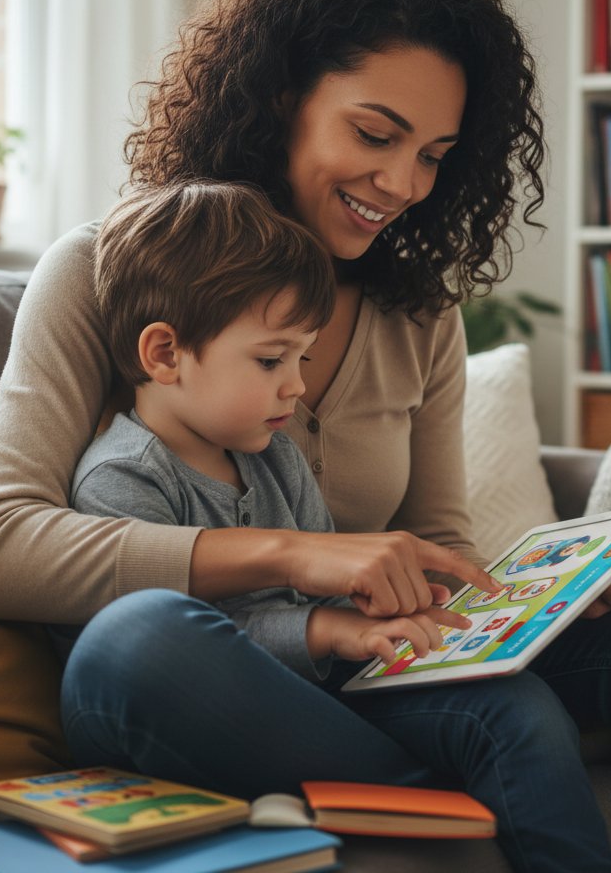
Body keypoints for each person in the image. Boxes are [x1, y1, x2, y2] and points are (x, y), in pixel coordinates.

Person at [0, 0, 611, 872]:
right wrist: (295, 554)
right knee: (134, 644)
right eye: (375, 133)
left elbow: (440, 542)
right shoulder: (113, 272)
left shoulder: (420, 311)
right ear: (280, 99)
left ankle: (468, 767)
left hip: (370, 672)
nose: (403, 184)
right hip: (214, 683)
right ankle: (469, 777)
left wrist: (537, 602)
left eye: (435, 154)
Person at [62, 180, 471, 675]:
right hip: (204, 706)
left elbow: (337, 599)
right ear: (166, 355)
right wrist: (324, 631)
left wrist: (394, 614)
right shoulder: (122, 478)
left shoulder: (277, 459)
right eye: (272, 360)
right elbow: (176, 645)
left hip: (315, 694)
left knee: (512, 704)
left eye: (303, 357)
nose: (296, 385)